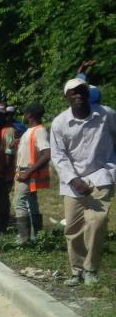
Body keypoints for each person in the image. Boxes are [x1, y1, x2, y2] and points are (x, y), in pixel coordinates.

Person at [50, 78, 116, 286]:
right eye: (73, 92)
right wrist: (74, 179)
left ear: (88, 94)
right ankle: (76, 270)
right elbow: (58, 156)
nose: (78, 95)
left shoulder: (107, 115)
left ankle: (90, 269)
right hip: (73, 180)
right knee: (73, 227)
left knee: (97, 222)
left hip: (101, 175)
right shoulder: (60, 123)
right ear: (67, 97)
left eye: (82, 91)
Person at [13, 103, 51, 244]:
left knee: (20, 202)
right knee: (31, 202)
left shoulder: (39, 131)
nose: (23, 116)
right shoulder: (31, 131)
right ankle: (36, 236)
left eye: (25, 113)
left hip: (27, 173)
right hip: (25, 172)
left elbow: (47, 154)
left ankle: (24, 238)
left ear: (29, 115)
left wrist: (27, 172)